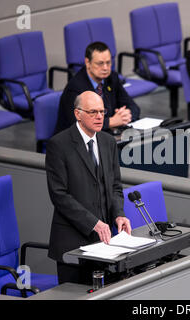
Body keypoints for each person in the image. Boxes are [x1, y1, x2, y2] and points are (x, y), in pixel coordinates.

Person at [46, 91, 132, 285]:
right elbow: (59, 196)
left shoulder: (108, 142)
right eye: (93, 112)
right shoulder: (59, 145)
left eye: (102, 111)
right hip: (73, 244)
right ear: (78, 114)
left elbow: (116, 186)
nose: (100, 116)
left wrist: (118, 214)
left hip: (105, 243)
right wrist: (94, 222)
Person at [54, 41, 140, 135]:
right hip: (74, 143)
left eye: (108, 63)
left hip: (106, 136)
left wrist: (126, 115)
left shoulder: (112, 78)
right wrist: (110, 122)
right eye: (100, 63)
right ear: (87, 62)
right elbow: (79, 125)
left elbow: (133, 107)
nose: (105, 68)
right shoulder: (75, 88)